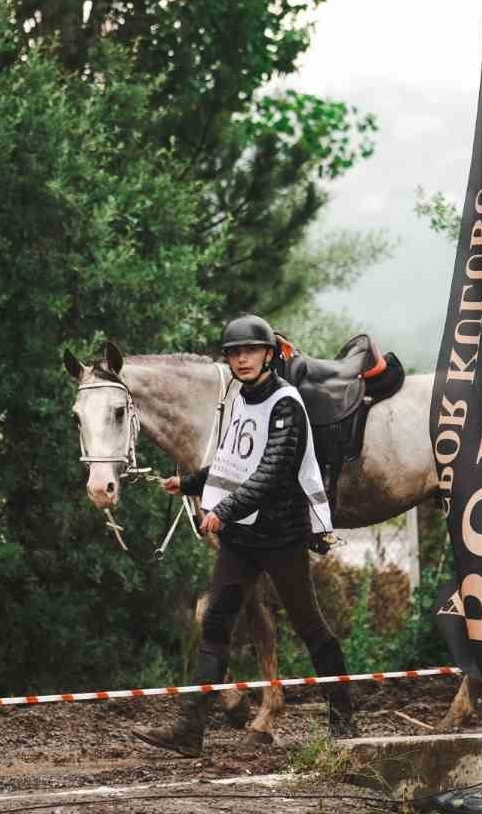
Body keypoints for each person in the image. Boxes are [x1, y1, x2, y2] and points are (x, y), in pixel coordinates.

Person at [131, 315, 355, 757]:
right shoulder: (239, 400)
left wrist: (223, 511)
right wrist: (192, 484)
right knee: (216, 623)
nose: (241, 358)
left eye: (250, 350)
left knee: (310, 626)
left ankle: (344, 722)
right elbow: (236, 463)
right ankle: (190, 731)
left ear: (268, 354)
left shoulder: (286, 404)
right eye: (234, 353)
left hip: (281, 535)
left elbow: (272, 473)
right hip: (242, 538)